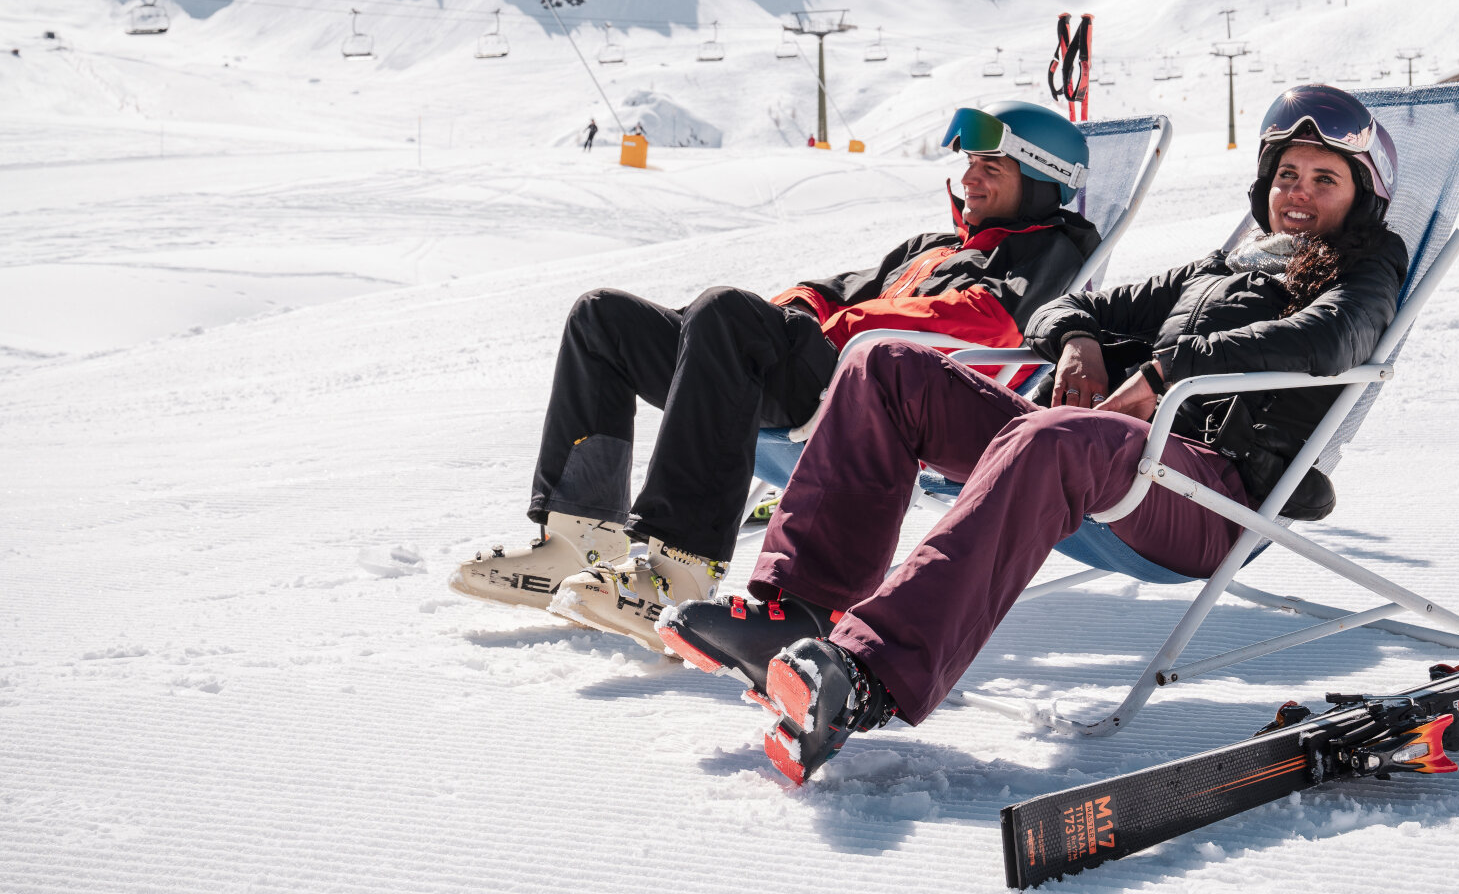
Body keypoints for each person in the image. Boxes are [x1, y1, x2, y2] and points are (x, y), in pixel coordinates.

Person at [661, 85, 1408, 784]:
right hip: (1116, 457)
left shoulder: (1367, 268)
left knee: (1053, 436)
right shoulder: (1222, 269)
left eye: (1324, 179)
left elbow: (1326, 340)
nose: (1298, 192)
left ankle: (867, 677)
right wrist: (1079, 343)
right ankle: (796, 611)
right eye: (1287, 175)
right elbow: (1067, 306)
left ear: (1362, 196)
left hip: (1213, 493)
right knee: (885, 366)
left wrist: (1162, 374)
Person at [450, 100, 1100, 651]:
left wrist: (835, 327)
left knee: (726, 313)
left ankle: (677, 573)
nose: (970, 179)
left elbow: (986, 323)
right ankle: (580, 542)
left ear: (1040, 182)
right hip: (823, 363)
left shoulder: (1045, 248)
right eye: (970, 164)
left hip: (871, 389)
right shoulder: (933, 246)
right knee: (604, 319)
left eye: (991, 168)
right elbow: (833, 287)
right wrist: (797, 311)